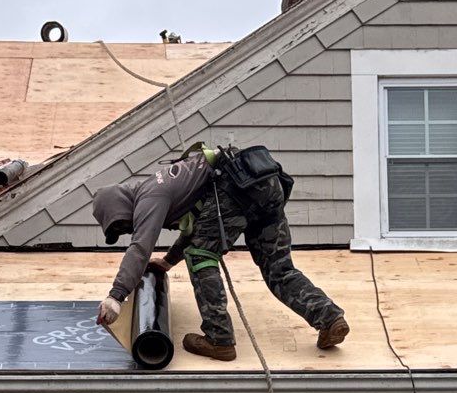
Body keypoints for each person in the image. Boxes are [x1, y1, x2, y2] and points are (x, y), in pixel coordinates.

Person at [93, 144, 348, 361]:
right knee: (279, 269)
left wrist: (116, 296)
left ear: (118, 207)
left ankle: (219, 338)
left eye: (122, 225)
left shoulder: (150, 195)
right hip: (265, 185)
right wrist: (169, 261)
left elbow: (140, 246)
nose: (127, 229)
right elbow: (201, 227)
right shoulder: (163, 187)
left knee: (201, 255)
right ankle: (329, 318)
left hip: (236, 189)